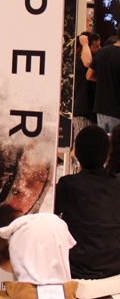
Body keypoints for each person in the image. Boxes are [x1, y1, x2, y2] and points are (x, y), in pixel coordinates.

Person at [55, 124, 120, 279]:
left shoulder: (67, 186)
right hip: (114, 269)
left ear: (76, 153)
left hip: (76, 270)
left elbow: (47, 219)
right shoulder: (117, 185)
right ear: (107, 153)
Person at [86, 24, 120, 133]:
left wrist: (104, 79)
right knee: (115, 141)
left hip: (100, 108)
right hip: (116, 110)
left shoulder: (101, 52)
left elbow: (89, 75)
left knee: (102, 141)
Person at [72, 31, 100, 137]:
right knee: (82, 141)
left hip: (92, 112)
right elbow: (87, 62)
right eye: (96, 46)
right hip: (82, 111)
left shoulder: (95, 61)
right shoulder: (79, 61)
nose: (100, 48)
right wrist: (84, 44)